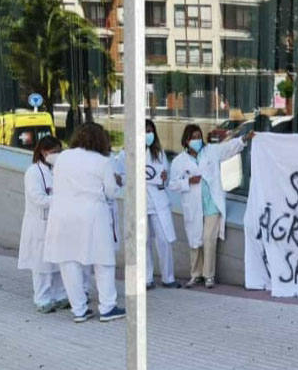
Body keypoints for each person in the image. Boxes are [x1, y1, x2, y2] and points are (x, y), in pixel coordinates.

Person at [43, 123, 125, 322]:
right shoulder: (102, 162)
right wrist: (116, 181)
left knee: (69, 261)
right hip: (92, 216)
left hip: (62, 216)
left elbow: (51, 164)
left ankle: (79, 310)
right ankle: (107, 307)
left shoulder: (62, 158)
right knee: (102, 261)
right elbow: (111, 192)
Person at [169, 124, 251, 288]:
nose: (197, 140)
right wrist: (188, 182)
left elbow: (228, 148)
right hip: (193, 205)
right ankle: (195, 274)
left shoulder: (211, 151)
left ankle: (209, 275)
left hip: (212, 203)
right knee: (195, 240)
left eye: (199, 137)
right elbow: (172, 184)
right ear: (186, 140)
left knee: (208, 239)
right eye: (193, 137)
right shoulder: (179, 161)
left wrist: (243, 139)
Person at [18, 136, 67, 313]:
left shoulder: (57, 170)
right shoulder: (33, 172)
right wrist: (60, 200)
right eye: (53, 152)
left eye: (59, 151)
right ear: (42, 152)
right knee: (41, 265)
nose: (56, 155)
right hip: (39, 223)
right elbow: (38, 198)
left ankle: (60, 295)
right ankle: (42, 299)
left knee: (58, 261)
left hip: (57, 222)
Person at [143, 119, 180, 290]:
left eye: (150, 131)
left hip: (158, 202)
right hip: (141, 203)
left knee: (164, 240)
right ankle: (146, 278)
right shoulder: (129, 152)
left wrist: (164, 179)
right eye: (144, 131)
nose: (147, 134)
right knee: (143, 243)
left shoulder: (159, 153)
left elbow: (165, 176)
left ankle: (168, 277)